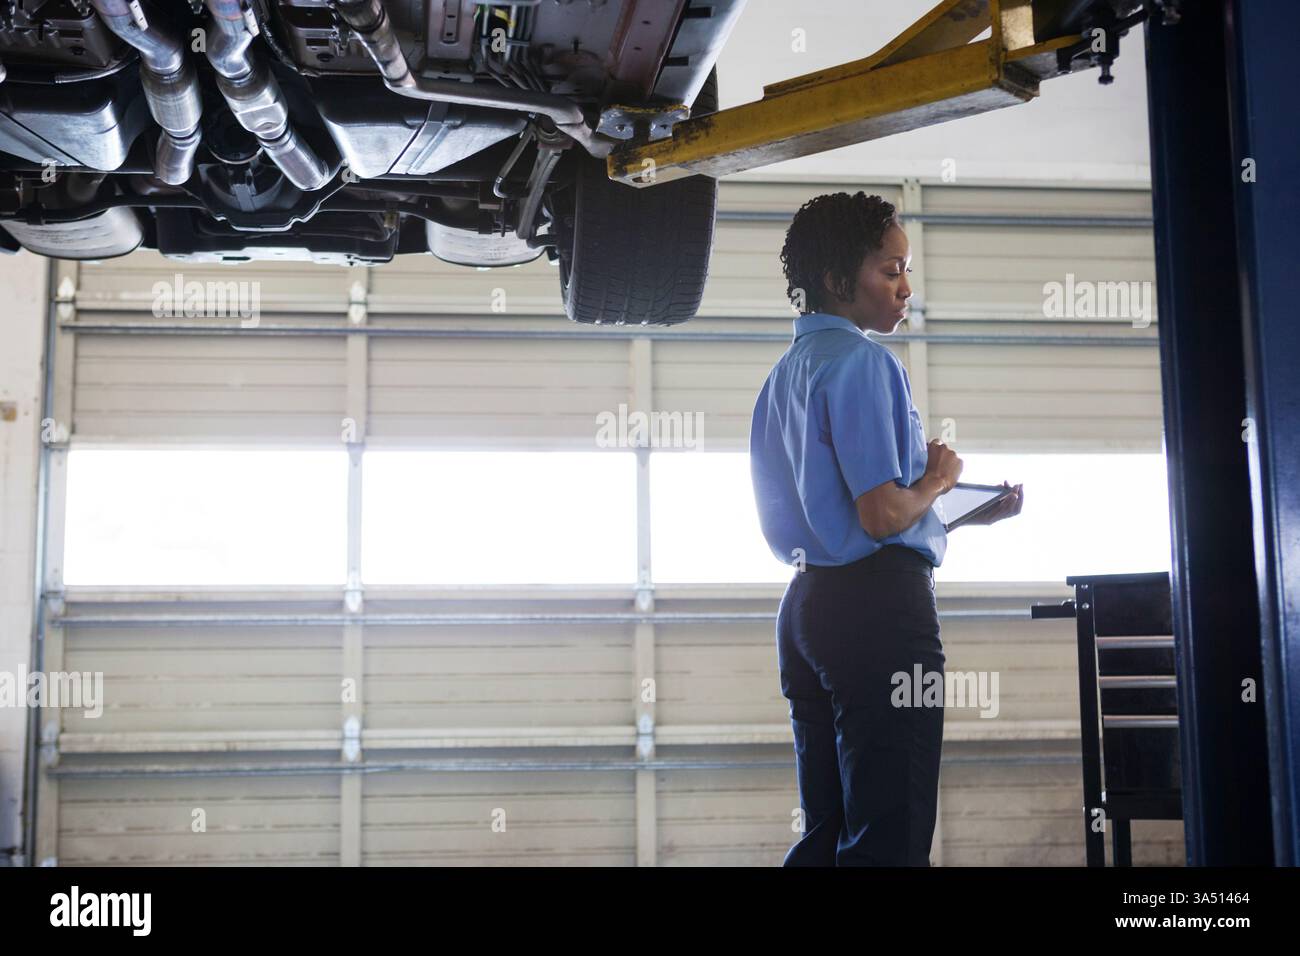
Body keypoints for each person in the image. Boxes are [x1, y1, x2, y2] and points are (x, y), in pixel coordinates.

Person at [749, 191, 1023, 866]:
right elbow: (879, 517)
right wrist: (938, 481)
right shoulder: (865, 364)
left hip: (807, 609)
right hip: (880, 612)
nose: (905, 288)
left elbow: (843, 511)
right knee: (891, 830)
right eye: (890, 270)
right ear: (841, 281)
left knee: (827, 830)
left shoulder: (785, 375)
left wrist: (950, 509)